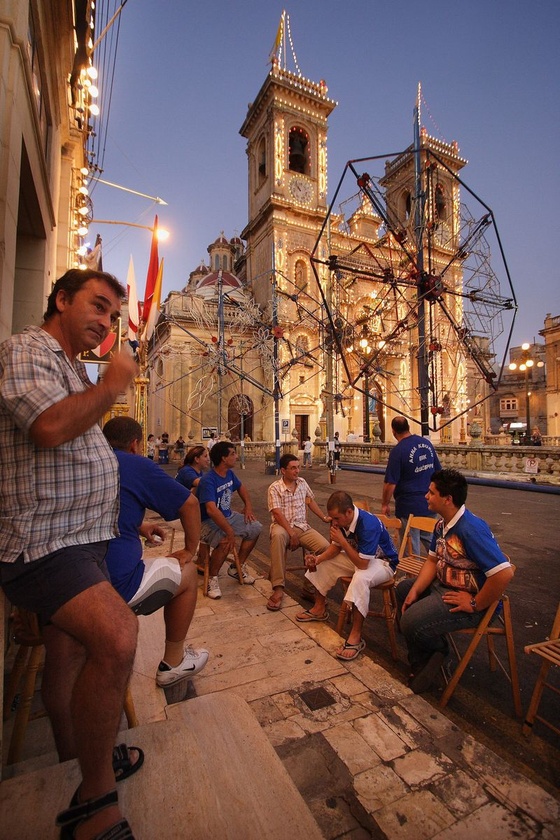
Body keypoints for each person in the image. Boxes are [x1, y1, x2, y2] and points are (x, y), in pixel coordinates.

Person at [0, 268, 139, 839]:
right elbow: (50, 428)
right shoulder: (23, 351)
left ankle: (81, 761)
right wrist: (111, 386)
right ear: (61, 299)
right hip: (42, 543)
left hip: (79, 537)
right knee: (117, 635)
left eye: (112, 315)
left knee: (71, 658)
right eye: (98, 307)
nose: (106, 323)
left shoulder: (65, 365)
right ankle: (94, 797)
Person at [102, 417, 209, 689]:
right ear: (136, 444)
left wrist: (138, 525)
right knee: (186, 574)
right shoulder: (134, 464)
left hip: (76, 579)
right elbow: (190, 504)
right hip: (115, 584)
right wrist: (189, 549)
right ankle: (173, 662)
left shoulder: (91, 462)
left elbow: (106, 508)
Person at [396, 468, 513, 694]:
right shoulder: (442, 525)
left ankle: (437, 651)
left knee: (409, 621)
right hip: (444, 585)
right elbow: (431, 561)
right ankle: (425, 657)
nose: (426, 497)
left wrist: (475, 604)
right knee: (403, 591)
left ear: (447, 499)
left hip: (469, 599)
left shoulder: (470, 530)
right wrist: (416, 590)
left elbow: (503, 574)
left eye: (431, 493)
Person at [296, 491, 398, 661]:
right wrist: (318, 558)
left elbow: (363, 565)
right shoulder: (342, 521)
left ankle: (356, 636)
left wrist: (342, 542)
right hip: (360, 556)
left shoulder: (368, 524)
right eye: (332, 518)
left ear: (349, 512)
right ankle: (319, 608)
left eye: (336, 519)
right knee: (326, 563)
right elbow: (335, 548)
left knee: (361, 577)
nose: (333, 522)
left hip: (383, 562)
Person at [197, 441, 262, 599]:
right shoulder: (208, 480)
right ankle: (212, 578)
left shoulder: (229, 474)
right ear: (223, 458)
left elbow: (241, 487)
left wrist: (248, 506)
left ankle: (236, 566)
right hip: (206, 522)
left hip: (227, 516)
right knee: (226, 540)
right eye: (232, 453)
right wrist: (229, 531)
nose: (236, 456)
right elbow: (211, 510)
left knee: (255, 528)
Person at [267, 454, 330, 611]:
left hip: (302, 527)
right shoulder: (275, 488)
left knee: (325, 548)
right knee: (278, 536)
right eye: (293, 468)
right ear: (283, 470)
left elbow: (310, 501)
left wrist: (323, 517)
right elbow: (277, 513)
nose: (297, 471)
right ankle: (278, 588)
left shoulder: (302, 483)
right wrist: (291, 532)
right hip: (282, 526)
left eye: (298, 467)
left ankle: (309, 586)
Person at [381, 416, 441, 555]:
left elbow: (390, 483)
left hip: (409, 505)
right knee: (430, 539)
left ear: (393, 431)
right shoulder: (427, 444)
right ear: (408, 427)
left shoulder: (398, 451)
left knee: (410, 544)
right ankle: (440, 566)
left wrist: (385, 503)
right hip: (430, 501)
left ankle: (414, 574)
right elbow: (438, 472)